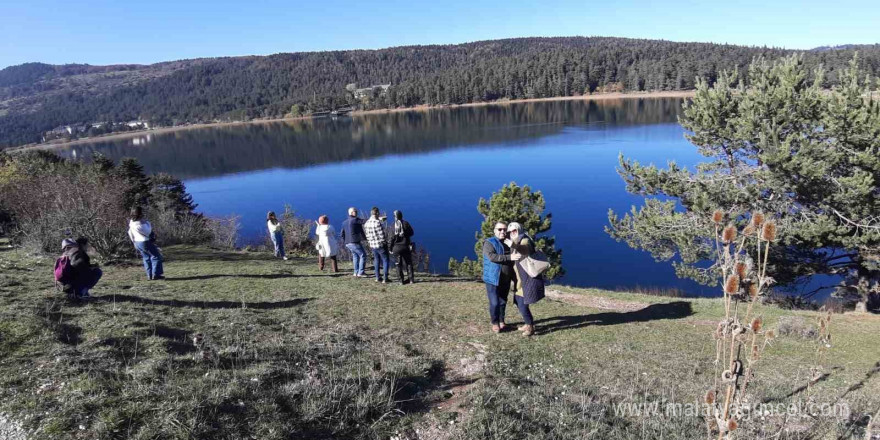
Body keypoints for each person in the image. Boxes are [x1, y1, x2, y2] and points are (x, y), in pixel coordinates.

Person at [508, 222, 545, 337]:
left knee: (522, 303)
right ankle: (528, 323)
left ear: (519, 230)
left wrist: (513, 245)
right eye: (510, 232)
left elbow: (525, 250)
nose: (512, 233)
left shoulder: (524, 240)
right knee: (519, 302)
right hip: (520, 280)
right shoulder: (517, 240)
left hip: (528, 279)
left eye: (514, 231)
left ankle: (530, 327)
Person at [482, 221, 519, 333]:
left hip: (506, 278)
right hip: (493, 278)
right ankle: (495, 322)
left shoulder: (509, 242)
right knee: (495, 302)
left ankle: (501, 321)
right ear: (495, 231)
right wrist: (510, 257)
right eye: (499, 229)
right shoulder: (489, 243)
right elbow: (492, 257)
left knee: (503, 301)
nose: (502, 231)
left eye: (504, 229)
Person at [128, 206, 165, 280]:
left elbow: (129, 232)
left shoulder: (131, 222)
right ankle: (156, 275)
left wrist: (133, 241)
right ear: (140, 213)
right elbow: (148, 232)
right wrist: (148, 223)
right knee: (156, 256)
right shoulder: (141, 224)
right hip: (144, 241)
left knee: (146, 258)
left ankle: (150, 275)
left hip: (137, 242)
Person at [386, 210, 415, 285]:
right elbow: (412, 233)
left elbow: (391, 239)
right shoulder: (406, 223)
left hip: (396, 248)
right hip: (406, 246)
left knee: (398, 265)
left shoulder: (392, 226)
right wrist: (405, 234)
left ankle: (401, 281)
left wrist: (389, 248)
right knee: (409, 263)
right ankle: (411, 279)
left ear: (395, 217)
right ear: (401, 215)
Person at [364, 207, 390, 283]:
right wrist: (385, 243)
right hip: (380, 245)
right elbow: (381, 235)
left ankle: (377, 277)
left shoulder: (367, 223)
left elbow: (367, 235)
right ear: (377, 213)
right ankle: (385, 278)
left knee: (376, 260)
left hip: (372, 245)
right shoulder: (377, 223)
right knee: (385, 260)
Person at [340, 207, 367, 277]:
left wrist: (346, 241)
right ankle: (361, 273)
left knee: (355, 256)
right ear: (352, 213)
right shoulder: (355, 220)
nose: (357, 212)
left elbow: (342, 234)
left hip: (348, 243)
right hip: (354, 242)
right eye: (355, 211)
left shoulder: (344, 222)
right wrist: (376, 218)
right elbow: (365, 221)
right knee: (363, 255)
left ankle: (356, 272)